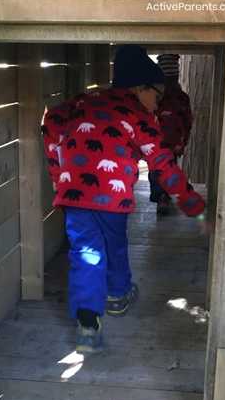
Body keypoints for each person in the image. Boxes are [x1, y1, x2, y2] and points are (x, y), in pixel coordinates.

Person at [42, 45, 205, 353]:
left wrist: (57, 171)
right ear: (140, 87)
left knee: (85, 252)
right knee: (114, 244)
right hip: (112, 198)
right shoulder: (139, 117)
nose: (156, 105)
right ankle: (117, 296)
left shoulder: (83, 101)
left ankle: (87, 323)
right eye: (156, 96)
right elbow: (163, 164)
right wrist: (192, 203)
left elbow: (51, 121)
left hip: (73, 196)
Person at [148, 53, 193, 215]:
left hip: (160, 142)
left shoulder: (156, 95)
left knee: (157, 170)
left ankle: (162, 196)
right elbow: (188, 121)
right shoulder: (179, 97)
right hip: (170, 142)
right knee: (164, 168)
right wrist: (183, 140)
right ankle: (164, 196)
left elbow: (187, 121)